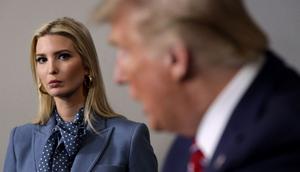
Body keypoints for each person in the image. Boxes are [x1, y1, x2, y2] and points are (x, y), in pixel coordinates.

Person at [94, 0, 300, 171]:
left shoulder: (281, 148)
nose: (118, 76)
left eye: (125, 51)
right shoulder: (190, 144)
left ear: (175, 58)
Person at [3, 17, 157, 172]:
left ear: (87, 66)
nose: (51, 69)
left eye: (63, 56)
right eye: (42, 59)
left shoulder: (129, 137)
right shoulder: (20, 139)